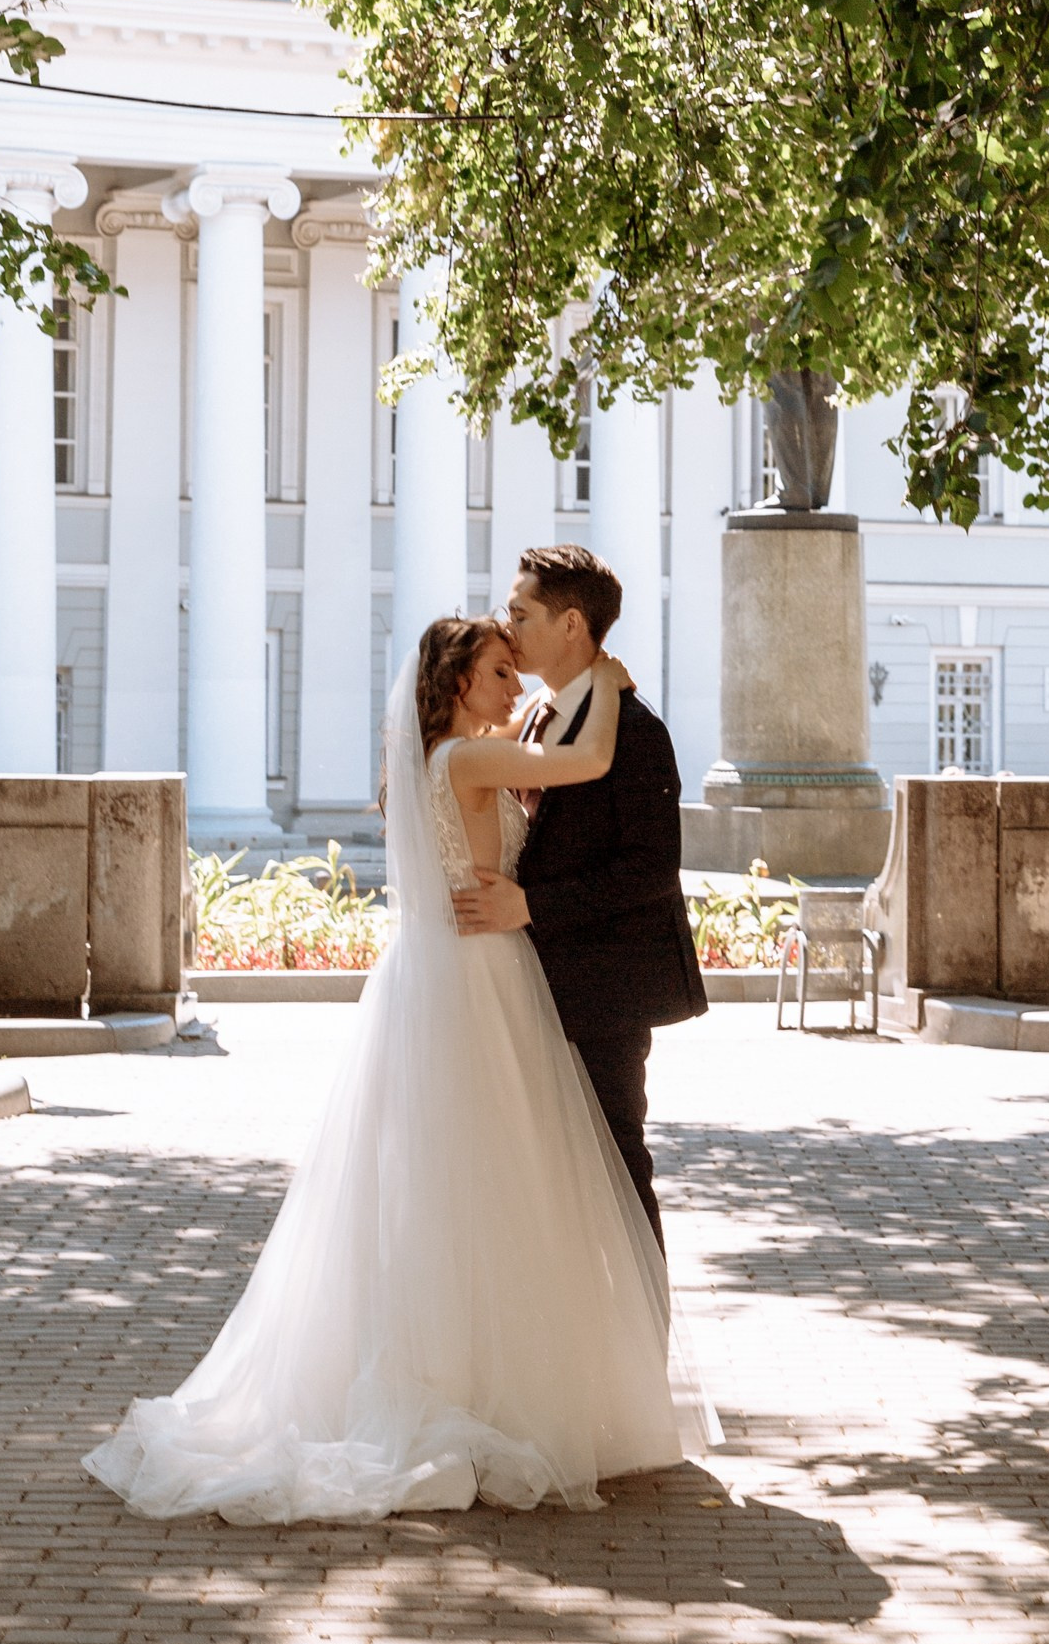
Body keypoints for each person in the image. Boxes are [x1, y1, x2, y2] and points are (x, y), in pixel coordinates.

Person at [82, 615, 697, 1526]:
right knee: (492, 1180)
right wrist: (603, 681)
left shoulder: (443, 759)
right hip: (481, 977)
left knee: (456, 1188)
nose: (513, 686)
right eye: (497, 673)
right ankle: (481, 1385)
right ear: (455, 685)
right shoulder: (462, 759)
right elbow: (588, 760)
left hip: (449, 972)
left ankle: (471, 1374)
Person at [452, 545, 708, 1245]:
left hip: (603, 992)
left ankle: (643, 1332)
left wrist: (531, 907)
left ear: (571, 625)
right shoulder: (532, 719)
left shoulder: (638, 732)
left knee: (616, 1166)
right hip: (525, 987)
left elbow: (652, 869)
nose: (509, 627)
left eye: (521, 612)